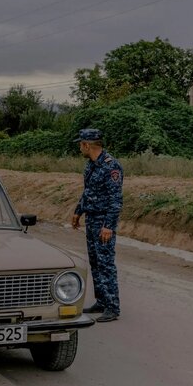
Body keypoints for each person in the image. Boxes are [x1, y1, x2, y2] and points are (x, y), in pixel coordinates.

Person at [71, 128, 123, 323]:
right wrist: (78, 211)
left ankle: (112, 306)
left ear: (87, 145)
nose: (79, 147)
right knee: (94, 261)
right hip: (91, 219)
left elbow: (115, 200)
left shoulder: (112, 167)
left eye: (80, 144)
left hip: (103, 221)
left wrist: (108, 226)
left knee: (106, 264)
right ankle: (101, 300)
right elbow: (88, 192)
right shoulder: (90, 166)